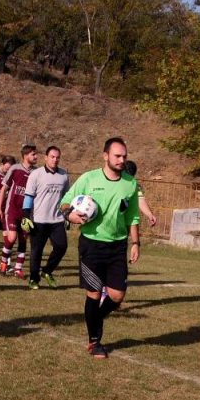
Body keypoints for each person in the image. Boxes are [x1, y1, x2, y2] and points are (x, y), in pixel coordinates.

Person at [60, 137, 140, 359]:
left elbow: (132, 215)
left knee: (117, 296)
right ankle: (94, 341)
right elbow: (65, 202)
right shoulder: (89, 178)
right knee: (94, 293)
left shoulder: (130, 184)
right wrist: (70, 214)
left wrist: (136, 243)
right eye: (117, 156)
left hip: (117, 245)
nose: (122, 160)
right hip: (92, 244)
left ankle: (96, 318)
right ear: (105, 156)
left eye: (124, 156)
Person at [22, 145, 70, 289]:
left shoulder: (64, 175)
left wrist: (68, 215)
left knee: (62, 247)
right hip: (39, 220)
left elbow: (67, 197)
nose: (55, 160)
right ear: (46, 158)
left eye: (57, 157)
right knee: (37, 250)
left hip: (57, 220)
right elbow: (28, 196)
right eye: (52, 157)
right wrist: (26, 216)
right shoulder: (36, 174)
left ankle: (47, 271)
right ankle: (33, 279)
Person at [0, 144, 38, 277]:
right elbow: (4, 188)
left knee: (23, 239)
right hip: (12, 210)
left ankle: (18, 268)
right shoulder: (15, 169)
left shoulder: (36, 172)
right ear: (25, 156)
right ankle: (3, 263)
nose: (36, 157)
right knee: (12, 237)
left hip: (26, 212)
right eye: (33, 154)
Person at [124, 160, 158, 227]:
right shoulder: (111, 182)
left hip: (124, 224)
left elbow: (140, 200)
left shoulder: (134, 185)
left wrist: (149, 214)